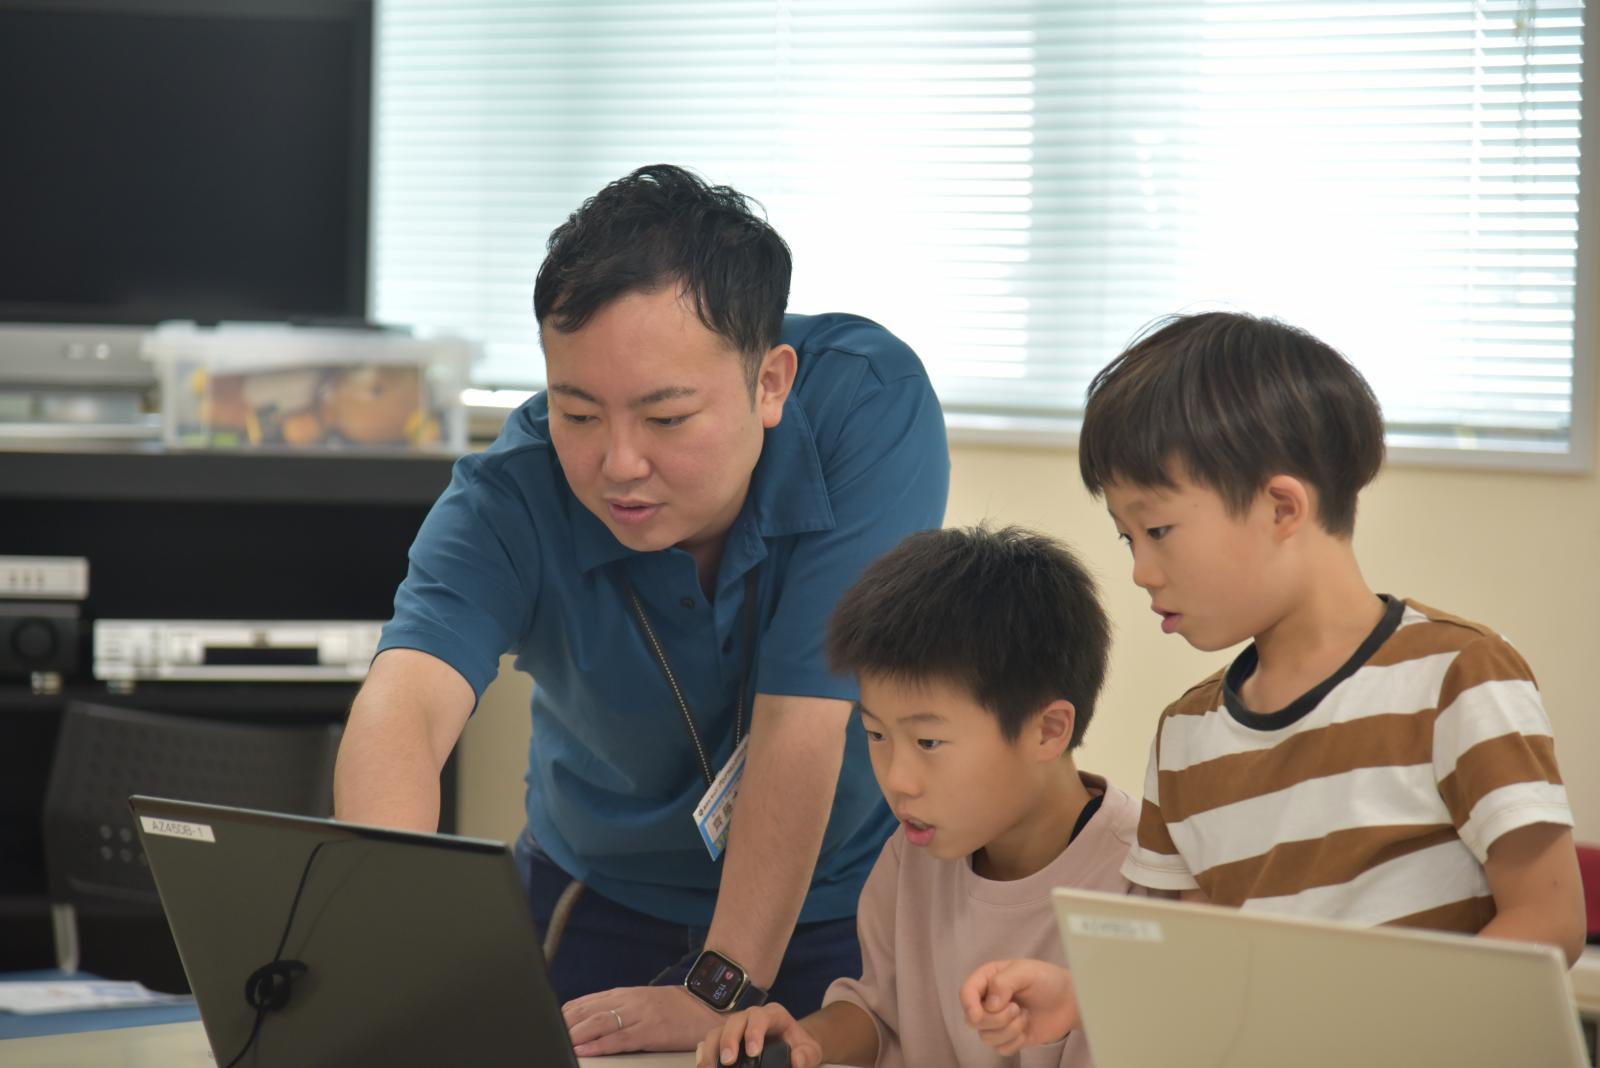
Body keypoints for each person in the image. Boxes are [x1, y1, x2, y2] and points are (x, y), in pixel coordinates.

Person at [332, 164, 950, 1055]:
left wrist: (718, 984)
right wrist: (384, 935)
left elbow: (803, 722)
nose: (618, 464)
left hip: (848, 897)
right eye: (579, 413)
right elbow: (406, 702)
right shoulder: (512, 495)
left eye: (666, 419)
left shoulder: (868, 408)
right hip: (601, 897)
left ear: (770, 384)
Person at [964, 310, 1588, 1056]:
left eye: (1157, 531)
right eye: (1127, 539)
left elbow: (1549, 921)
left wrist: (1382, 1032)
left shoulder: (1458, 676)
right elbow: (1198, 962)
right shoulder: (1186, 735)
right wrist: (1081, 992)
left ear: (1282, 507)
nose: (1140, 570)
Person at [697, 525, 1138, 1068]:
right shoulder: (913, 854)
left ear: (1047, 731)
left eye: (929, 742)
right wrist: (805, 1039)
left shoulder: (1143, 880)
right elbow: (881, 1015)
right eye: (875, 734)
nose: (898, 779)